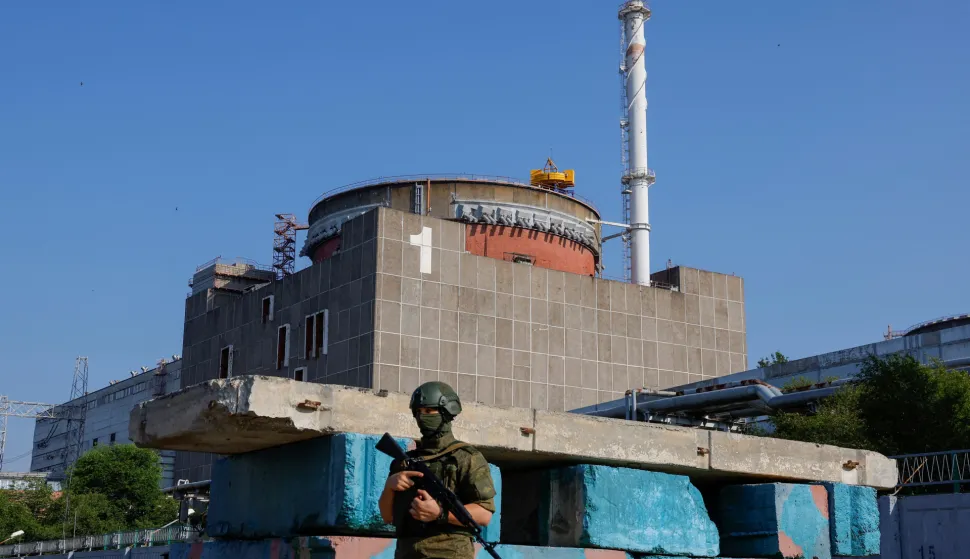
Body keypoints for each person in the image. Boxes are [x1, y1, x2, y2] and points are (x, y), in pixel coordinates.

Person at [378, 381, 496, 559]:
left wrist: (440, 513)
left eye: (428, 411)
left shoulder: (466, 457)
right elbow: (387, 516)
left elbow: (484, 514)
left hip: (449, 554)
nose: (422, 417)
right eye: (418, 412)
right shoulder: (404, 462)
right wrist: (390, 486)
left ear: (446, 413)